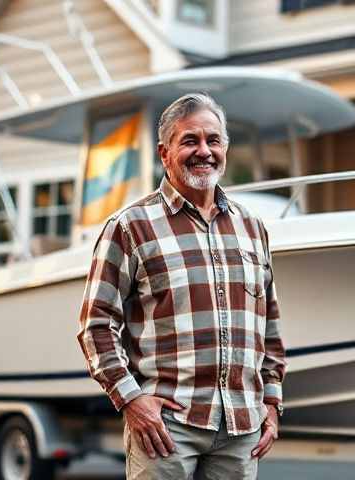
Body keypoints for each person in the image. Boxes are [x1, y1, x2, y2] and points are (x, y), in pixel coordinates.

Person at [78, 93, 287, 479]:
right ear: (165, 152)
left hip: (241, 428)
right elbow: (96, 325)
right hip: (165, 428)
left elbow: (268, 326)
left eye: (213, 140)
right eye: (190, 140)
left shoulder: (252, 227)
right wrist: (131, 400)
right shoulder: (130, 226)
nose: (204, 151)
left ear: (225, 148)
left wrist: (272, 403)